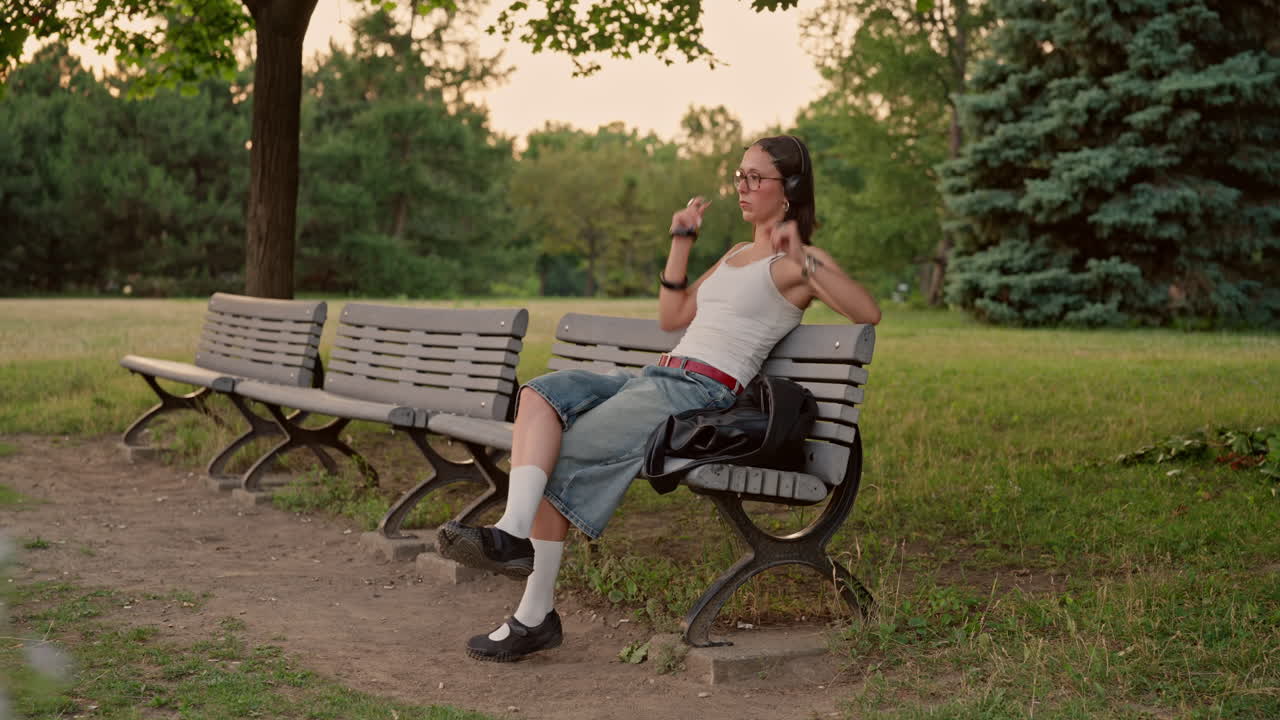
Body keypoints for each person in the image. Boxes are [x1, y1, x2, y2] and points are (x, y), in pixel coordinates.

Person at [437, 135, 882, 662]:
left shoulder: (793, 265)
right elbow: (673, 319)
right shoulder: (738, 254)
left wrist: (804, 257)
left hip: (699, 391)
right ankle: (514, 536)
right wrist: (681, 240)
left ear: (789, 188)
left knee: (563, 449)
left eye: (754, 178)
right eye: (738, 175)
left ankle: (533, 614)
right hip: (655, 377)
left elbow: (866, 312)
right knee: (540, 396)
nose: (741, 187)